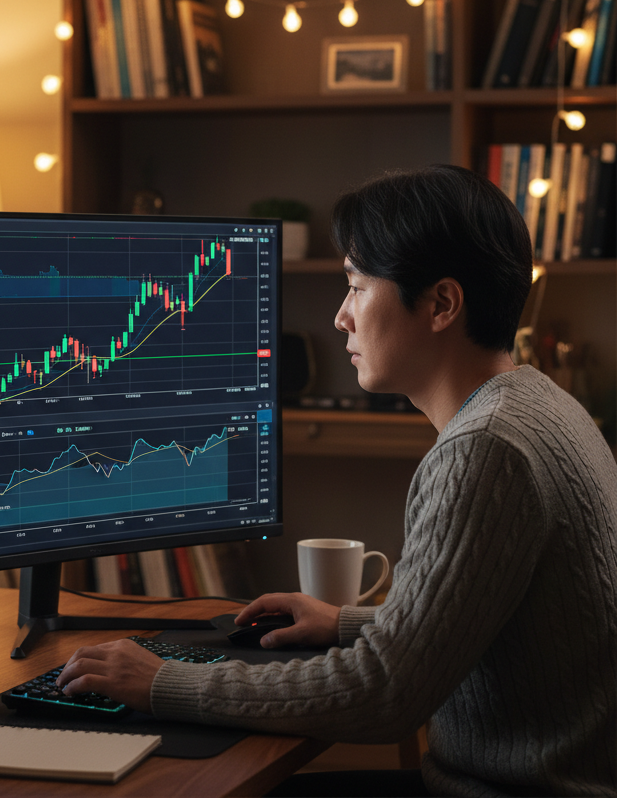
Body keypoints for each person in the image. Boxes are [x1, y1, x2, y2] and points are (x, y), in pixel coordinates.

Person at [57, 165, 617, 798]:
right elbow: (486, 623)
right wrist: (351, 624)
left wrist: (163, 682)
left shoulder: (485, 449)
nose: (340, 318)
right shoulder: (542, 405)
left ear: (441, 304)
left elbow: (384, 694)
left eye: (356, 286)